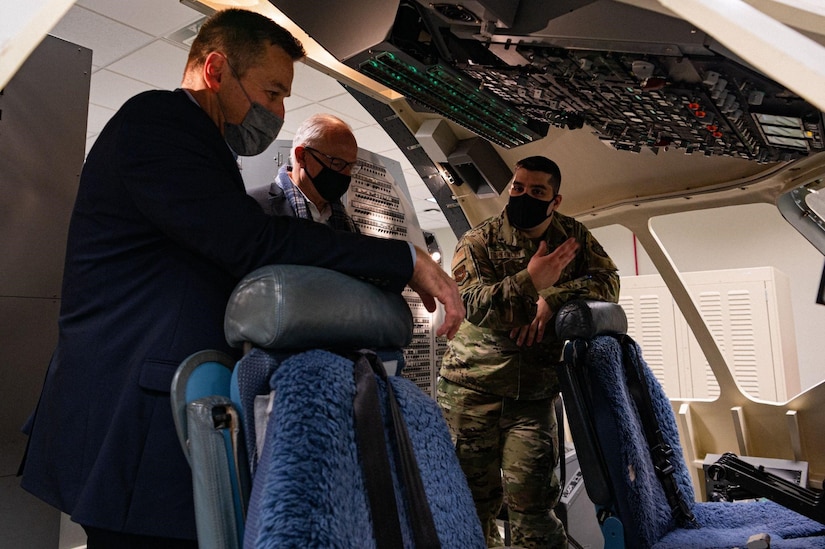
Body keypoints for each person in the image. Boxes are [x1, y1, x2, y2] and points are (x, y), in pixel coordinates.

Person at [19, 8, 463, 547]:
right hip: (130, 416)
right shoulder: (158, 123)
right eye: (273, 92)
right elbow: (252, 242)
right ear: (215, 70)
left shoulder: (202, 146)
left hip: (158, 414)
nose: (277, 111)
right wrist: (404, 259)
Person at [437, 155, 620, 548]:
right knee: (469, 507)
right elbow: (472, 303)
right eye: (517, 187)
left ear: (555, 201)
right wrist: (529, 281)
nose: (523, 195)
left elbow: (608, 283)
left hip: (533, 397)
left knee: (535, 507)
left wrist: (553, 297)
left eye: (537, 191)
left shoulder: (572, 238)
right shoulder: (478, 240)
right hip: (472, 392)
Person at [249, 112, 358, 233]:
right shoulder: (253, 207)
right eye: (337, 163)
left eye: (351, 166)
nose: (346, 174)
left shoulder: (348, 225)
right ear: (301, 156)